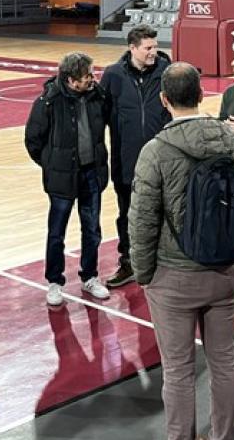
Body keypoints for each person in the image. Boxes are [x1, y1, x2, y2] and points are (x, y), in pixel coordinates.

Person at [130, 62, 234, 440]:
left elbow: (142, 221)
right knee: (224, 362)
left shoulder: (156, 151)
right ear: (202, 95)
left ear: (164, 100)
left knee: (179, 371)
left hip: (173, 278)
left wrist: (143, 274)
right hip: (223, 273)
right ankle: (225, 435)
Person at [24, 52, 112, 306]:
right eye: (87, 76)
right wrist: (52, 165)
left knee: (92, 230)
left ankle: (90, 276)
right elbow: (33, 139)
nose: (93, 79)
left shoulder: (98, 96)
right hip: (62, 179)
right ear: (72, 80)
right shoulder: (48, 101)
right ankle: (54, 281)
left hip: (91, 174)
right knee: (56, 233)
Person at [100, 24, 172, 288]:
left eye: (155, 46)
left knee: (165, 213)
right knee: (127, 215)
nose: (154, 51)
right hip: (126, 161)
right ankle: (128, 262)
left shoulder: (167, 73)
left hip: (163, 161)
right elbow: (102, 117)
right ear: (132, 48)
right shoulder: (112, 75)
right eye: (148, 47)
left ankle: (164, 264)